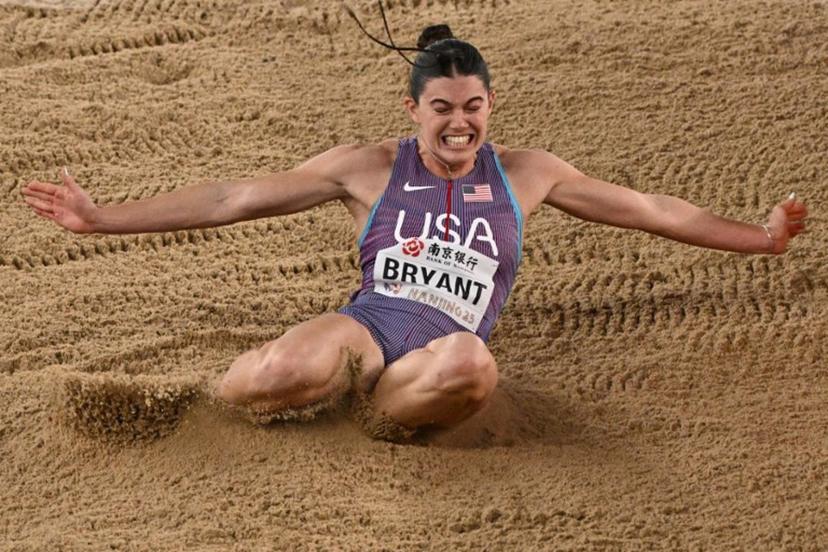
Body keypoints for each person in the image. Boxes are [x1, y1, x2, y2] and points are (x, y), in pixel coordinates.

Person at [21, 22, 808, 441]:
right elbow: (234, 197)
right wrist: (100, 219)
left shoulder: (529, 174)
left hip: (431, 364)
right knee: (283, 369)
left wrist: (760, 237)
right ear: (415, 111)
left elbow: (653, 211)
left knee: (474, 361)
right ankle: (198, 410)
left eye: (473, 107)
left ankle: (370, 422)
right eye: (442, 108)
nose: (459, 123)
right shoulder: (367, 167)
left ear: (489, 106)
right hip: (367, 328)